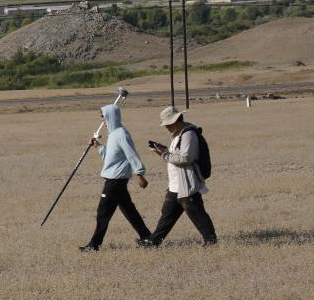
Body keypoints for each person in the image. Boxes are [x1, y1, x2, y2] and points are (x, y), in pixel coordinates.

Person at [140, 106, 217, 247]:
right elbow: (178, 154)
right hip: (175, 184)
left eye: (167, 124)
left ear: (175, 121)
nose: (166, 127)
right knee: (167, 216)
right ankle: (153, 242)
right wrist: (165, 150)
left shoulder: (188, 134)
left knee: (197, 214)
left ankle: (211, 241)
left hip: (186, 183)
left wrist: (164, 155)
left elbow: (186, 158)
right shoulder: (178, 134)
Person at [79, 105, 151, 252]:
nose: (102, 121)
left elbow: (131, 154)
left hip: (115, 181)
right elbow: (112, 158)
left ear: (111, 117)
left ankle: (94, 245)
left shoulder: (121, 134)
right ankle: (147, 238)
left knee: (103, 212)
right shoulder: (113, 134)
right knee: (129, 211)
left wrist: (140, 173)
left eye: (104, 117)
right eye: (101, 118)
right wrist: (98, 146)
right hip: (115, 179)